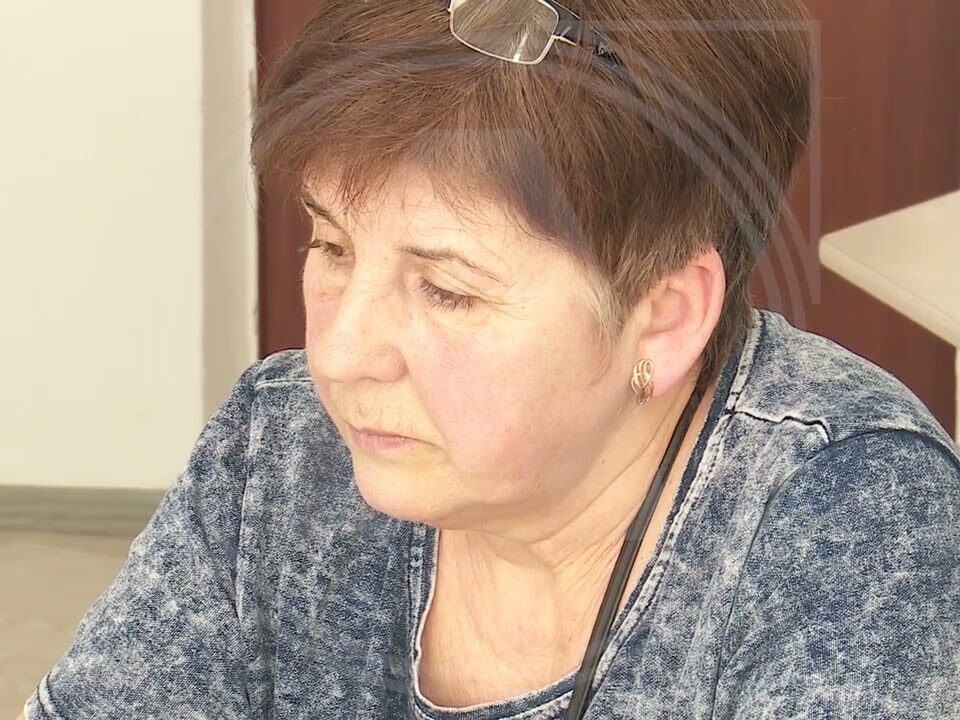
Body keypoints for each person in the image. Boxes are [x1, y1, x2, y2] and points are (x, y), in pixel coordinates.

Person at [19, 0, 960, 718]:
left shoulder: (857, 526)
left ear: (662, 319)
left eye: (446, 290)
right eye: (331, 247)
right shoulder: (281, 447)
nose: (339, 355)